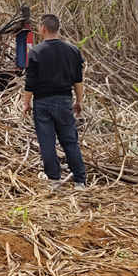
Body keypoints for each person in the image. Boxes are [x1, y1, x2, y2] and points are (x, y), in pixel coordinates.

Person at [22, 13, 87, 191]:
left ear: (43, 28)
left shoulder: (36, 52)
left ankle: (54, 181)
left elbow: (30, 83)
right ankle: (80, 181)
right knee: (70, 141)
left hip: (42, 103)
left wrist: (26, 103)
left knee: (47, 142)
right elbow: (78, 80)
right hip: (65, 101)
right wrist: (79, 101)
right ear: (58, 28)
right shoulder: (72, 51)